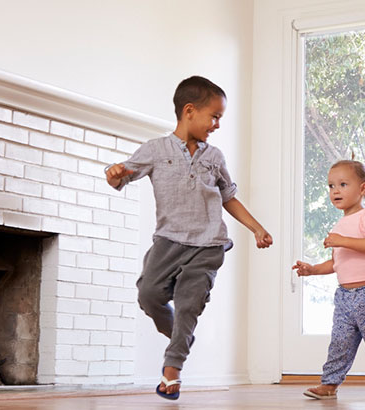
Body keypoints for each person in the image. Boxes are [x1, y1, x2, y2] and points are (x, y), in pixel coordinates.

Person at [105, 76, 273, 400]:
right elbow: (122, 176)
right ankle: (181, 337)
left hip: (208, 244)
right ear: (189, 111)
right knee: (148, 294)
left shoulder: (215, 157)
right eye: (215, 117)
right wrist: (114, 176)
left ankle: (172, 371)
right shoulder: (155, 150)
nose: (217, 125)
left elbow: (229, 197)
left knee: (187, 305)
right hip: (168, 240)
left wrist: (257, 228)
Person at [292, 160, 365, 400]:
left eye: (343, 184)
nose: (336, 191)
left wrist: (341, 240)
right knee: (339, 341)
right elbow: (336, 263)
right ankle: (329, 383)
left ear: (362, 189)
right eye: (331, 186)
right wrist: (312, 269)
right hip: (344, 296)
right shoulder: (339, 224)